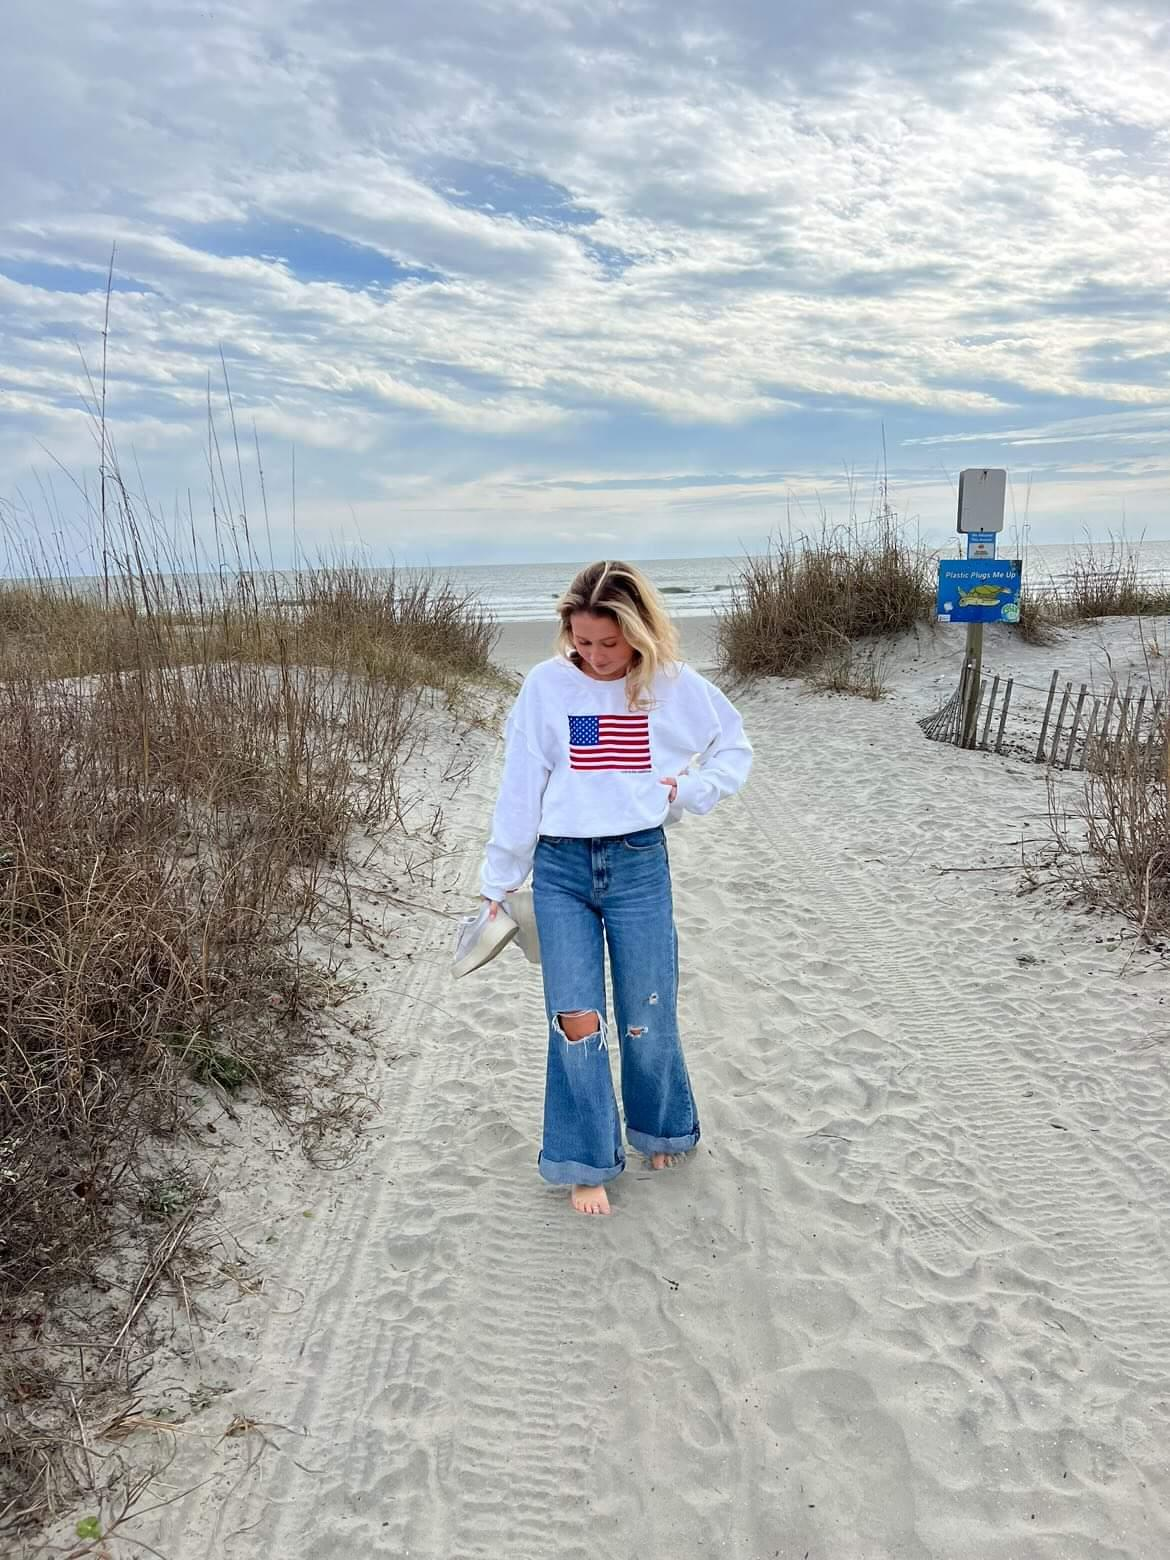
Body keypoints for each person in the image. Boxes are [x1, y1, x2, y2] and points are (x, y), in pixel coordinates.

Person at [479, 561, 752, 1215]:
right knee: (576, 1021)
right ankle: (585, 1158)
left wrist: (684, 791)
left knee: (645, 1015)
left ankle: (660, 1126)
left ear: (638, 631)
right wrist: (498, 879)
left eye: (609, 642)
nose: (594, 656)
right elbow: (522, 784)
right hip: (561, 870)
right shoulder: (546, 686)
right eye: (582, 641)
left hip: (637, 866)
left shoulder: (670, 686)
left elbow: (733, 747)